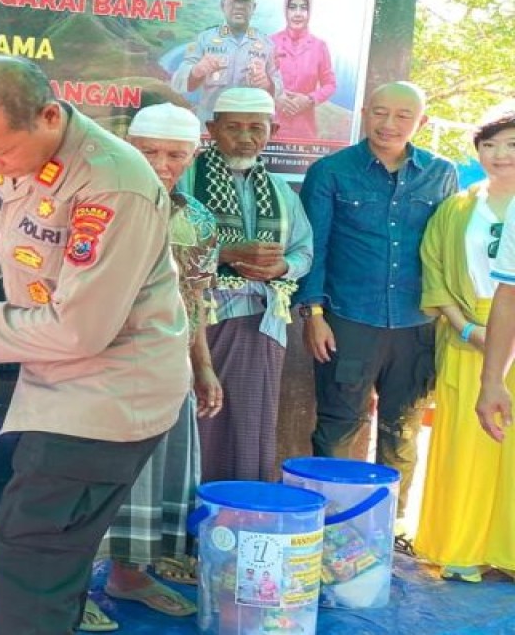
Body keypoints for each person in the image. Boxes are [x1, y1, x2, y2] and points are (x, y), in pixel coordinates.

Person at [0, 55, 190, 634]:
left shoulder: (113, 185)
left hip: (105, 399)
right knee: (49, 564)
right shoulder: (20, 159)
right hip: (60, 389)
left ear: (48, 115)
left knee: (24, 569)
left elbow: (81, 329)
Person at [78, 103, 223, 631]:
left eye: (176, 155)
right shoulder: (96, 204)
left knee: (155, 471)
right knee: (89, 476)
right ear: (129, 149)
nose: (163, 164)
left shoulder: (197, 218)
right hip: (100, 364)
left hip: (166, 365)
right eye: (151, 152)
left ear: (194, 155)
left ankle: (129, 575)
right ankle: (70, 587)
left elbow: (196, 302)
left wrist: (201, 367)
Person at [298, 82, 458, 543]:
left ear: (420, 123)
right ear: (366, 113)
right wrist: (313, 313)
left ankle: (390, 529)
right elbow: (316, 247)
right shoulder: (331, 172)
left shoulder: (441, 174)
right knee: (338, 424)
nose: (389, 125)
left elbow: (446, 250)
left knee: (402, 427)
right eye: (380, 113)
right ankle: (329, 526)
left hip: (417, 322)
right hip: (348, 319)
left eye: (402, 117)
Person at [181, 87, 312, 483]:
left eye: (256, 128)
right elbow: (165, 245)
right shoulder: (184, 178)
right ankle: (188, 517)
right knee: (194, 418)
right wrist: (223, 252)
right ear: (211, 129)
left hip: (260, 323)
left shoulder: (280, 191)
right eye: (233, 127)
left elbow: (304, 251)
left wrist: (281, 267)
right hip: (196, 319)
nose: (245, 137)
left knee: (249, 424)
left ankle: (239, 511)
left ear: (271, 130)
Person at [417, 109, 515, 582]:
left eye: (512, 145)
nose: (500, 156)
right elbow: (434, 274)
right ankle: (461, 549)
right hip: (466, 335)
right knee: (468, 443)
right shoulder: (455, 208)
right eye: (490, 146)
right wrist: (465, 329)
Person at [171, 0, 283, 124]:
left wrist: (267, 83)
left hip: (247, 126)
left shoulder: (267, 44)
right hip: (210, 123)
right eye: (233, 0)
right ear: (223, 5)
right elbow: (178, 83)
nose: (239, 6)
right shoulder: (204, 39)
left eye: (245, 1)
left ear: (253, 7)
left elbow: (279, 88)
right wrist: (197, 71)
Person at [271, 0, 337, 141]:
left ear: (310, 12)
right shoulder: (271, 42)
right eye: (292, 7)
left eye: (303, 8)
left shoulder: (319, 46)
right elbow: (259, 82)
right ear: (285, 11)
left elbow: (330, 85)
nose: (298, 13)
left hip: (304, 130)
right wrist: (276, 97)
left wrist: (309, 100)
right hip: (271, 127)